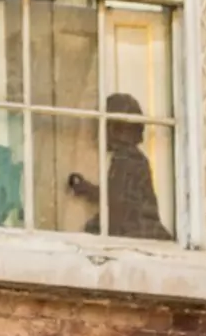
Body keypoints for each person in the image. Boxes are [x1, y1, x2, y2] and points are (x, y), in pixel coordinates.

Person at [67, 92, 173, 240]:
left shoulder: (128, 158)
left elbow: (115, 198)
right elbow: (115, 194)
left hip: (136, 224)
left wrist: (87, 189)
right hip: (128, 218)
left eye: (104, 127)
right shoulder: (127, 157)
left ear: (117, 130)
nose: (99, 135)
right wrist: (86, 188)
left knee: (93, 232)